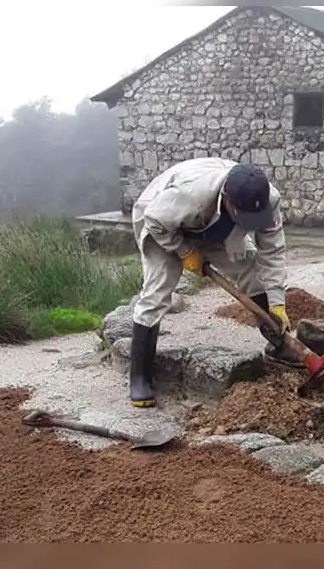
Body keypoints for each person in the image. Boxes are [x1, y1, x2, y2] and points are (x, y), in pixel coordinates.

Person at [127, 157, 300, 408]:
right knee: (158, 290)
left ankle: (278, 341)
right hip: (164, 224)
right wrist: (185, 251)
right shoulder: (191, 193)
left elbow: (272, 253)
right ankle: (140, 376)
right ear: (228, 199)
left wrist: (277, 303)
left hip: (213, 226)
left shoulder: (267, 201)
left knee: (251, 268)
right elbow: (155, 220)